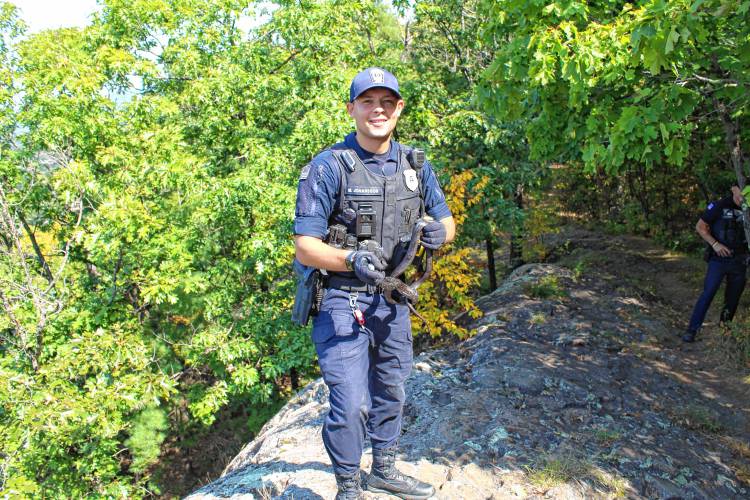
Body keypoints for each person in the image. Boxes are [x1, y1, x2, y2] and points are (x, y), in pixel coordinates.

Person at [293, 67, 455, 499]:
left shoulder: (416, 164)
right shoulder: (328, 168)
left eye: (387, 101)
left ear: (399, 108)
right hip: (342, 299)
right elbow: (306, 247)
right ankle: (349, 485)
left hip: (392, 301)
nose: (377, 110)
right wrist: (350, 258)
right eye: (368, 101)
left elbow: (446, 220)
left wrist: (442, 232)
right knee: (351, 404)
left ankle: (384, 469)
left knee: (392, 388)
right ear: (352, 109)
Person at [683, 185, 748, 342]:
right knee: (708, 293)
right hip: (718, 260)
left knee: (732, 299)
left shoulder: (748, 209)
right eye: (742, 193)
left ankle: (724, 333)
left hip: (740, 260)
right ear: (734, 189)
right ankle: (692, 330)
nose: (743, 198)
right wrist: (715, 244)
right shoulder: (719, 205)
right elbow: (700, 226)